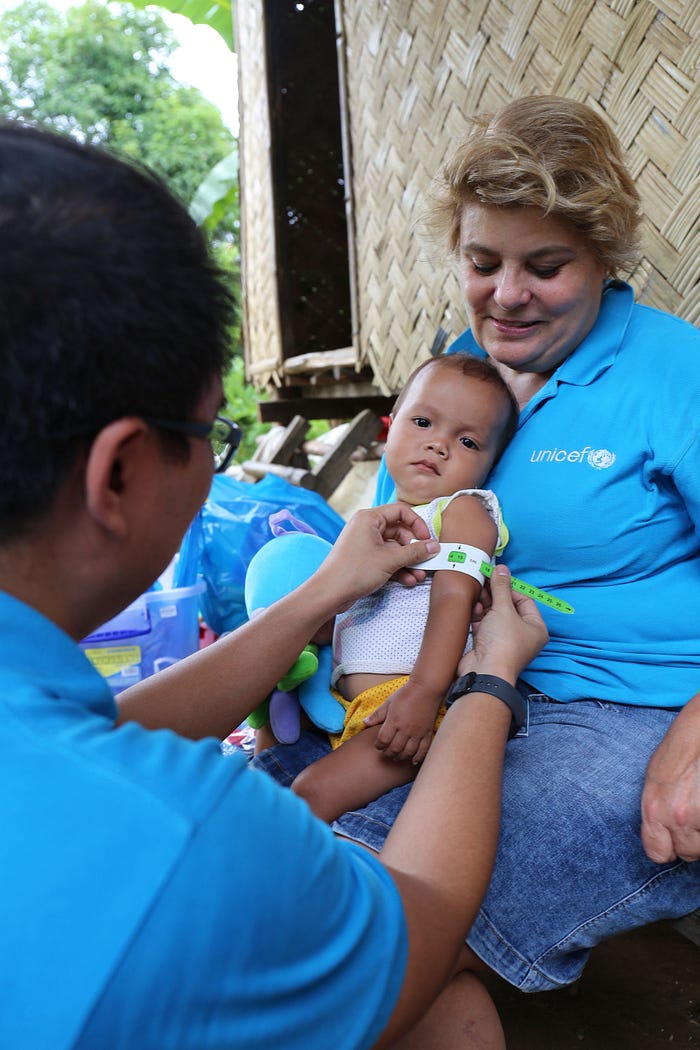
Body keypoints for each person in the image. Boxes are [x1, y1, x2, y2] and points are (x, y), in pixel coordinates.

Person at [0, 120, 550, 1050]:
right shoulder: (189, 838)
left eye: (468, 441)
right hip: (395, 743)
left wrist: (322, 600)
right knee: (454, 989)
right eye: (212, 437)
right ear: (121, 472)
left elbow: (102, 730)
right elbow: (420, 930)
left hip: (390, 698)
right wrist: (489, 682)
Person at [252, 95, 700, 1047]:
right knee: (311, 880)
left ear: (604, 260)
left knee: (360, 922)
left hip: (626, 707)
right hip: (467, 692)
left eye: (546, 267)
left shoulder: (673, 370)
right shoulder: (457, 371)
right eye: (482, 263)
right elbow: (387, 535)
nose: (505, 297)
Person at [290, 353, 518, 822]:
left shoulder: (462, 511)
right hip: (351, 708)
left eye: (468, 441)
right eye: (422, 422)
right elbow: (340, 613)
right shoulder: (370, 525)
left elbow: (455, 596)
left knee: (309, 795)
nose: (438, 446)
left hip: (414, 706)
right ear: (388, 426)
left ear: (491, 465)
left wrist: (425, 690)